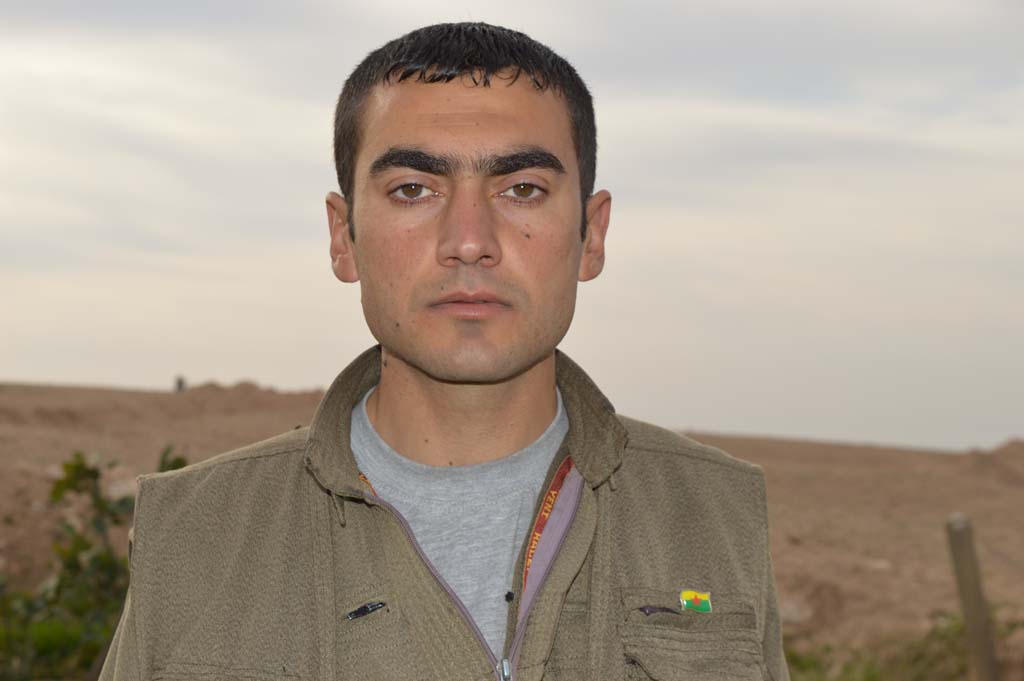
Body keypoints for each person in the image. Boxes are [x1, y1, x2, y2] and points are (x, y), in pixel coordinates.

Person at [100, 22, 788, 681]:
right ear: (343, 237)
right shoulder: (193, 535)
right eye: (413, 190)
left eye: (522, 189)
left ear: (592, 235)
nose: (469, 240)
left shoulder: (716, 513)